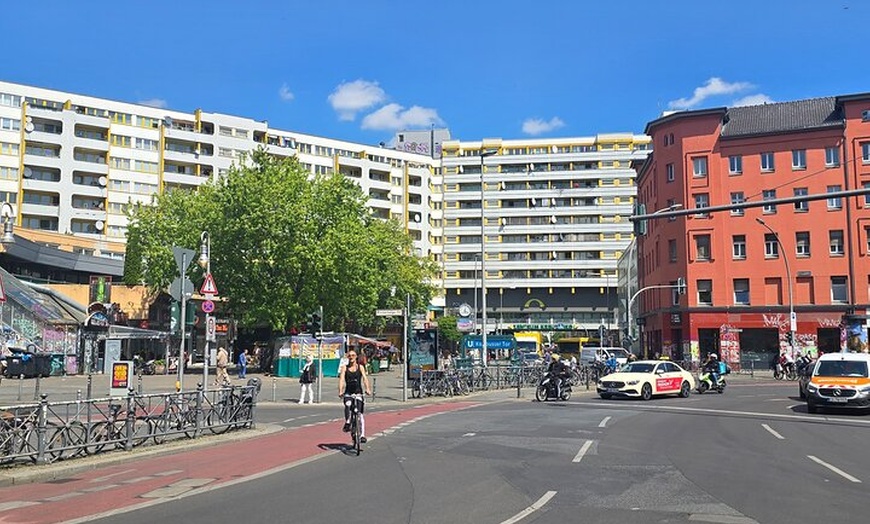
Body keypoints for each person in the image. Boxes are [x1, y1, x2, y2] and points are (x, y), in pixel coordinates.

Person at [338, 349, 372, 443]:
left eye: (353, 355)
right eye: (349, 355)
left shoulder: (360, 367)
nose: (351, 357)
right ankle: (348, 422)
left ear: (356, 357)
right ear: (347, 357)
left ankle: (362, 435)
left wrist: (368, 389)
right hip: (348, 392)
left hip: (358, 393)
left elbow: (365, 379)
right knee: (348, 404)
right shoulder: (344, 368)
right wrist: (340, 391)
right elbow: (341, 380)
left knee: (360, 414)